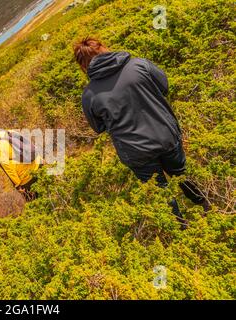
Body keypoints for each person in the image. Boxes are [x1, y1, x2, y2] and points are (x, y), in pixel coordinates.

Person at [74, 38, 210, 223]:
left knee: (160, 192)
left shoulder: (89, 95)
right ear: (105, 49)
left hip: (135, 151)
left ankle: (181, 231)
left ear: (83, 66)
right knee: (181, 173)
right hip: (165, 134)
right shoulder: (139, 65)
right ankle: (206, 205)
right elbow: (164, 87)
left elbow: (98, 128)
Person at [0, 128, 43, 201]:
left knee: (35, 203)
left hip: (27, 176)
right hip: (38, 163)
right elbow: (26, 141)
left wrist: (18, 185)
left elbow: (8, 169)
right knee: (51, 191)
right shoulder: (5, 131)